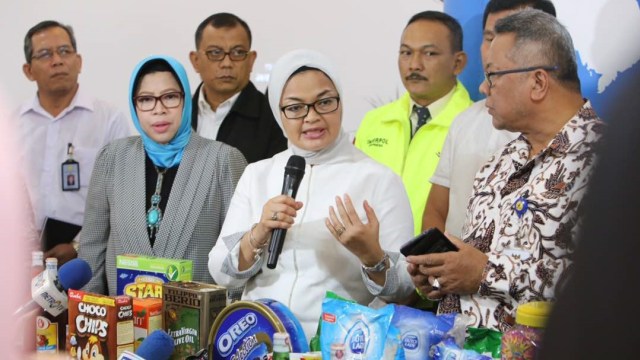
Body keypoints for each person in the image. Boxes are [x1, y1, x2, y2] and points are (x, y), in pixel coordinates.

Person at [406, 9, 606, 332]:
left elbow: (608, 281)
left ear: (538, 82)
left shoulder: (605, 160)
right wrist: (441, 275)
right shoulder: (498, 163)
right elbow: (473, 267)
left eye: (493, 75)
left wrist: (485, 272)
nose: (484, 88)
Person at [208, 49, 415, 339]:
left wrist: (372, 257)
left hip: (336, 345)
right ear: (278, 113)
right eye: (295, 107)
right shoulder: (259, 174)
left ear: (340, 101)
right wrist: (257, 235)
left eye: (325, 102)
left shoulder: (379, 179)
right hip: (257, 341)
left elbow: (406, 289)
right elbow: (220, 272)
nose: (312, 117)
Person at [79, 55, 247, 295]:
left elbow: (237, 255)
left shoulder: (223, 160)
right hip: (124, 324)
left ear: (186, 100)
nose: (159, 110)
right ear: (134, 104)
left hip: (196, 325)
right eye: (146, 100)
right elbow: (91, 250)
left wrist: (225, 326)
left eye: (170, 97)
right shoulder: (113, 158)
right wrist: (90, 313)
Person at [423, 0, 557, 238]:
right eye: (489, 37)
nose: (495, 48)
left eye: (510, 37)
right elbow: (435, 210)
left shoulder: (571, 137)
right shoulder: (464, 121)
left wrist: (478, 270)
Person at [16, 20, 130, 265]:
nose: (57, 60)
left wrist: (79, 245)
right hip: (20, 259)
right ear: (28, 70)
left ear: (79, 61)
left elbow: (122, 197)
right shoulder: (11, 125)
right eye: (45, 54)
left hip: (89, 258)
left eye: (64, 51)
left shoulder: (109, 119)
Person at [355, 11, 472, 234]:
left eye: (429, 53)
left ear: (458, 63)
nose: (414, 64)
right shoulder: (375, 121)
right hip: (369, 261)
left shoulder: (473, 126)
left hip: (439, 262)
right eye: (406, 53)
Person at [189, 12, 287, 163]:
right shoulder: (177, 114)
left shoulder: (275, 119)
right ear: (195, 60)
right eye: (215, 53)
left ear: (251, 60)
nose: (227, 63)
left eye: (238, 52)